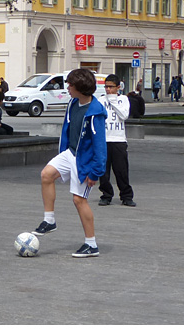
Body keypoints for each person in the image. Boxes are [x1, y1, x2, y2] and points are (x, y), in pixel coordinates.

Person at [33, 68, 108, 258]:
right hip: (70, 153)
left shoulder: (95, 112)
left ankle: (91, 244)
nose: (67, 87)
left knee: (79, 200)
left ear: (80, 88)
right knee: (46, 174)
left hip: (85, 161)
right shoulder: (73, 103)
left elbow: (100, 146)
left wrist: (95, 172)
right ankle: (49, 220)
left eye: (70, 85)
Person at [97, 74, 135, 207]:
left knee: (121, 170)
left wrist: (113, 101)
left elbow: (124, 115)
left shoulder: (123, 99)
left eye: (111, 87)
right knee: (103, 171)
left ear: (118, 87)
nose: (108, 90)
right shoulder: (101, 100)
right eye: (106, 87)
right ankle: (106, 195)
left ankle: (126, 196)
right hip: (104, 140)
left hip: (118, 140)